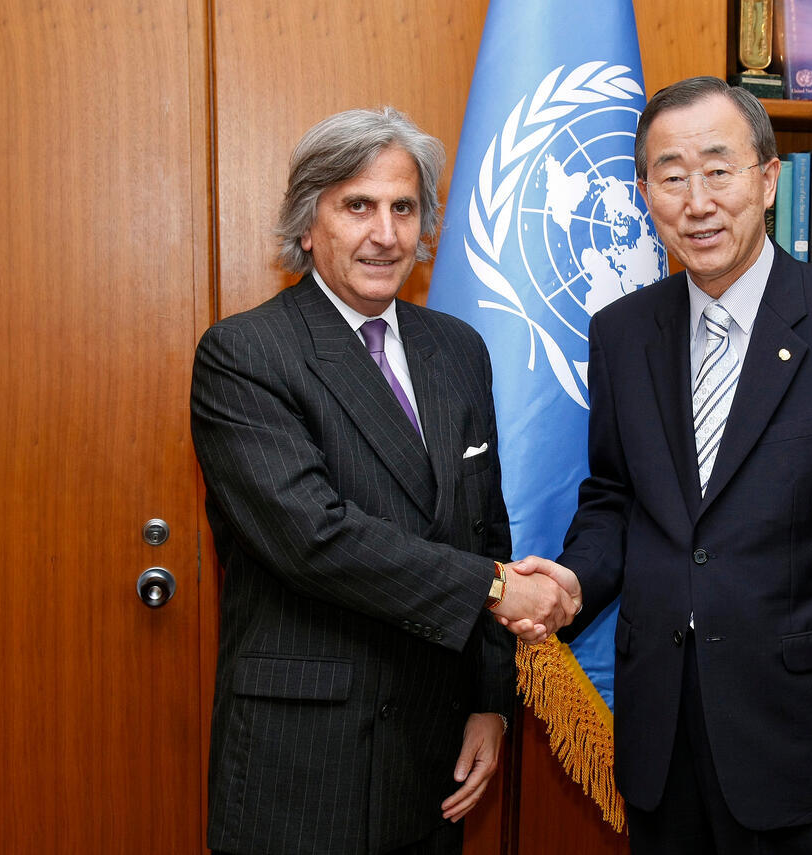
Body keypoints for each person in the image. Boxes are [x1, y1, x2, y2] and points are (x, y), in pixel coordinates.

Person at [529, 76, 812, 854]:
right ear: (644, 195)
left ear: (768, 179)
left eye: (719, 170)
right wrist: (573, 581)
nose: (698, 202)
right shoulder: (621, 332)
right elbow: (615, 498)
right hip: (660, 726)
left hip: (801, 729)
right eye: (672, 177)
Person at [191, 107, 579, 855]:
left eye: (404, 208)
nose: (386, 233)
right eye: (357, 206)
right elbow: (315, 538)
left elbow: (484, 529)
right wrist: (498, 588)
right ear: (309, 225)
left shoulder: (457, 349)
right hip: (304, 765)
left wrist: (491, 703)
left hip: (432, 757)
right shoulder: (245, 354)